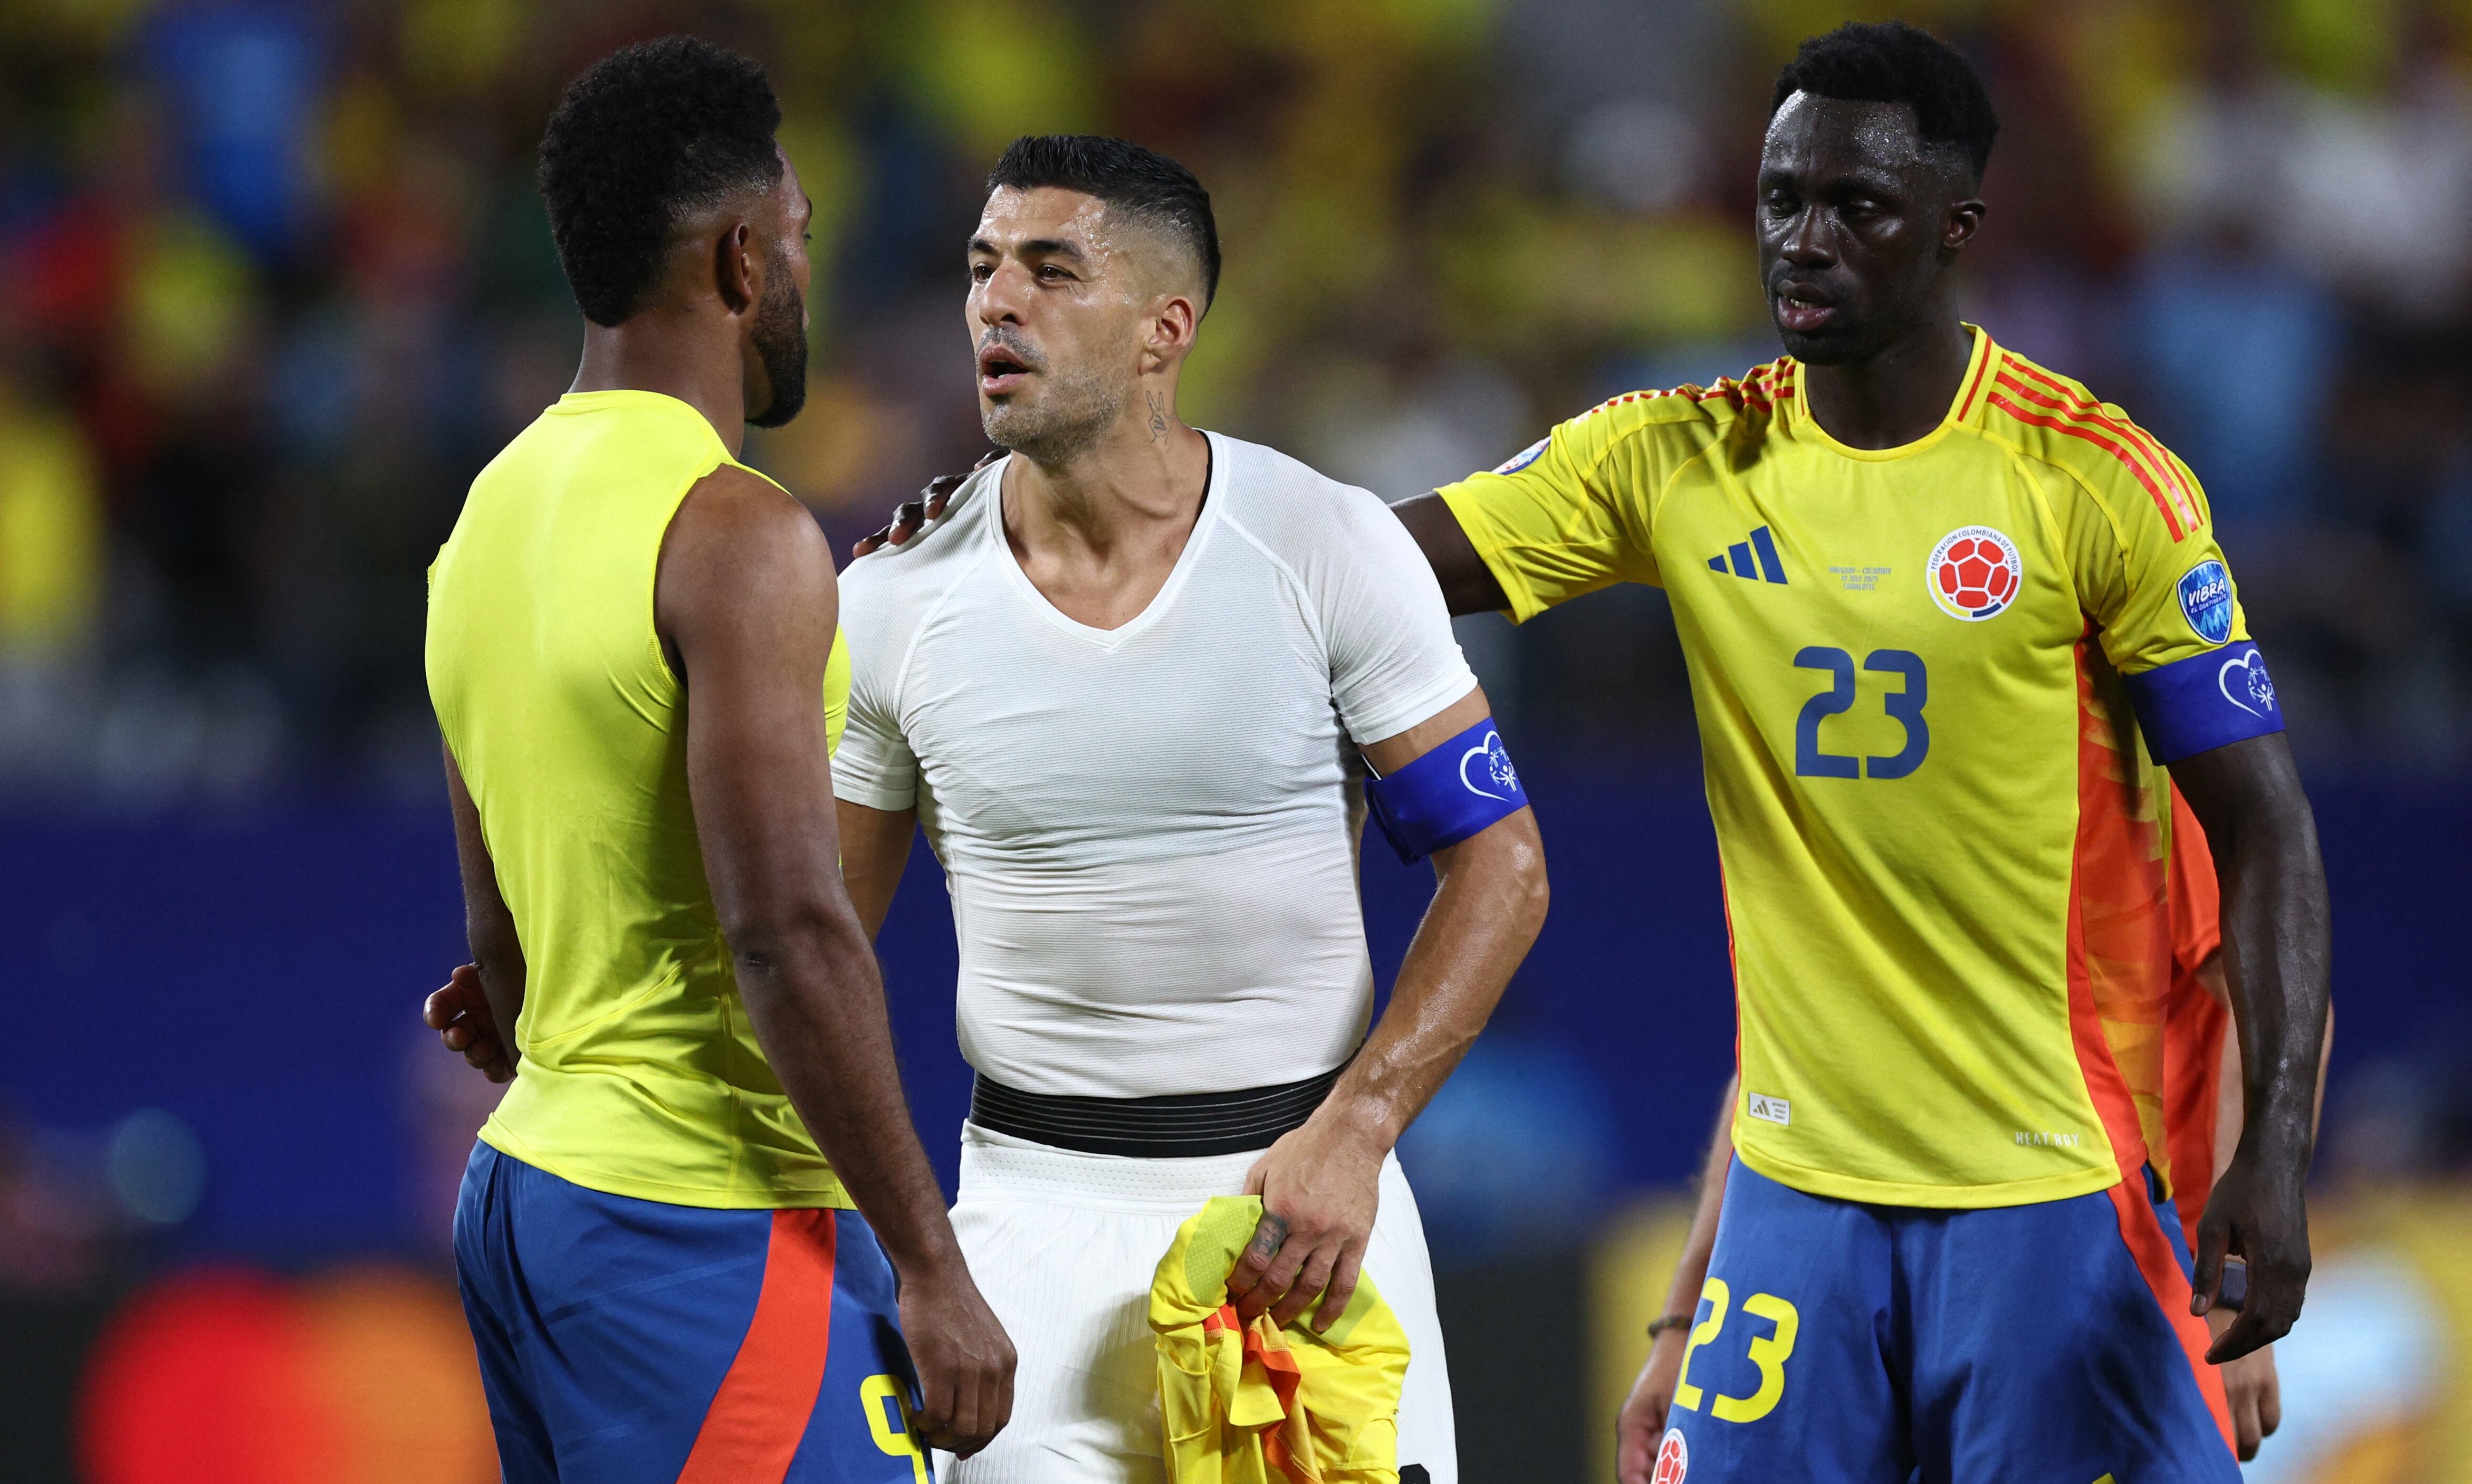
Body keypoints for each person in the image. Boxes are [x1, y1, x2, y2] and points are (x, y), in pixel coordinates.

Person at [1385, 21, 2331, 1481]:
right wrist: (1091, 507)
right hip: (1796, 1199)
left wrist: (2268, 1159)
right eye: (1779, 201)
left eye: (1855, 208)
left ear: (1954, 231)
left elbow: (2265, 834)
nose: (1802, 241)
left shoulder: (2089, 481)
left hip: (2057, 1187)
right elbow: (1361, 571)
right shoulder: (1677, 459)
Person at [836, 133, 1545, 1483]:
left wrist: (1359, 1130)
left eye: (1051, 271)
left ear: (1167, 327)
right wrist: (916, 1251)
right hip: (1024, 1232)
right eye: (984, 269)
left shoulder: (1323, 544)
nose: (998, 302)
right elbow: (812, 942)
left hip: (1308, 1218)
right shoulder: (888, 604)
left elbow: (1501, 869)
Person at [420, 40, 1012, 1482]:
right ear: (742, 259)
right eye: (800, 236)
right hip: (701, 1217)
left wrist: (552, 994)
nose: (810, 268)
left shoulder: (487, 516)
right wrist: (929, 1264)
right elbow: (790, 929)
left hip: (529, 1196)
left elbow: (500, 967)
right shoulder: (738, 531)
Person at [1612, 788, 2339, 1478]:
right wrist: (1682, 1321)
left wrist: (2233, 1289)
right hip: (1900, 1287)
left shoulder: (2111, 763)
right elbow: (1787, 1071)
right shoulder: (1867, 808)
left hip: (2111, 1273)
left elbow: (2276, 1006)